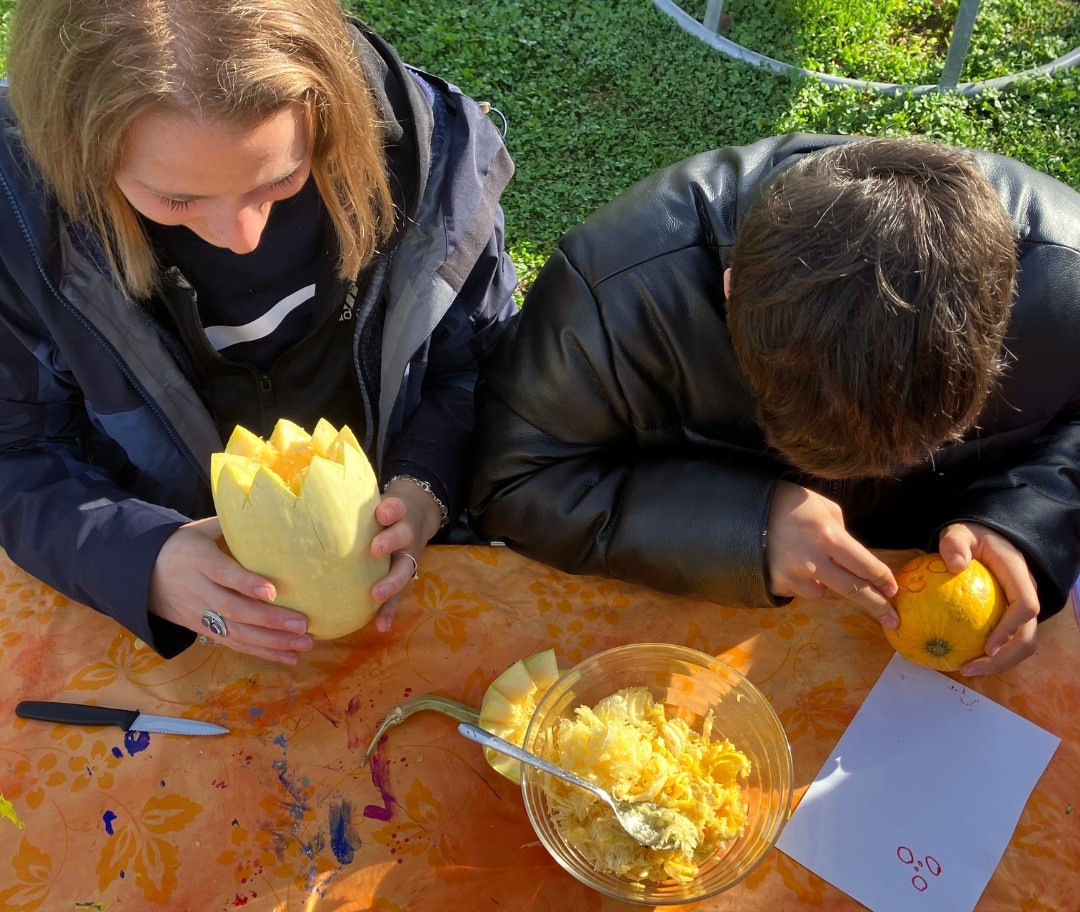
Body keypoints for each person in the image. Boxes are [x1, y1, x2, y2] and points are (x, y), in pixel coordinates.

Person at [0, 0, 518, 664]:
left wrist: (426, 487)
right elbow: (18, 455)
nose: (240, 239)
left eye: (280, 178)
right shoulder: (18, 221)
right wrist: (141, 558)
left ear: (324, 106)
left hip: (406, 578)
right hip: (172, 614)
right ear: (81, 155)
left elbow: (480, 370)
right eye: (177, 199)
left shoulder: (427, 165)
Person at [470, 133, 1080, 677]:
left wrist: (1027, 522)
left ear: (1005, 319)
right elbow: (510, 480)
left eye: (929, 443)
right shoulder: (614, 294)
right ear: (731, 292)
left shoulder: (1067, 282)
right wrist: (747, 527)